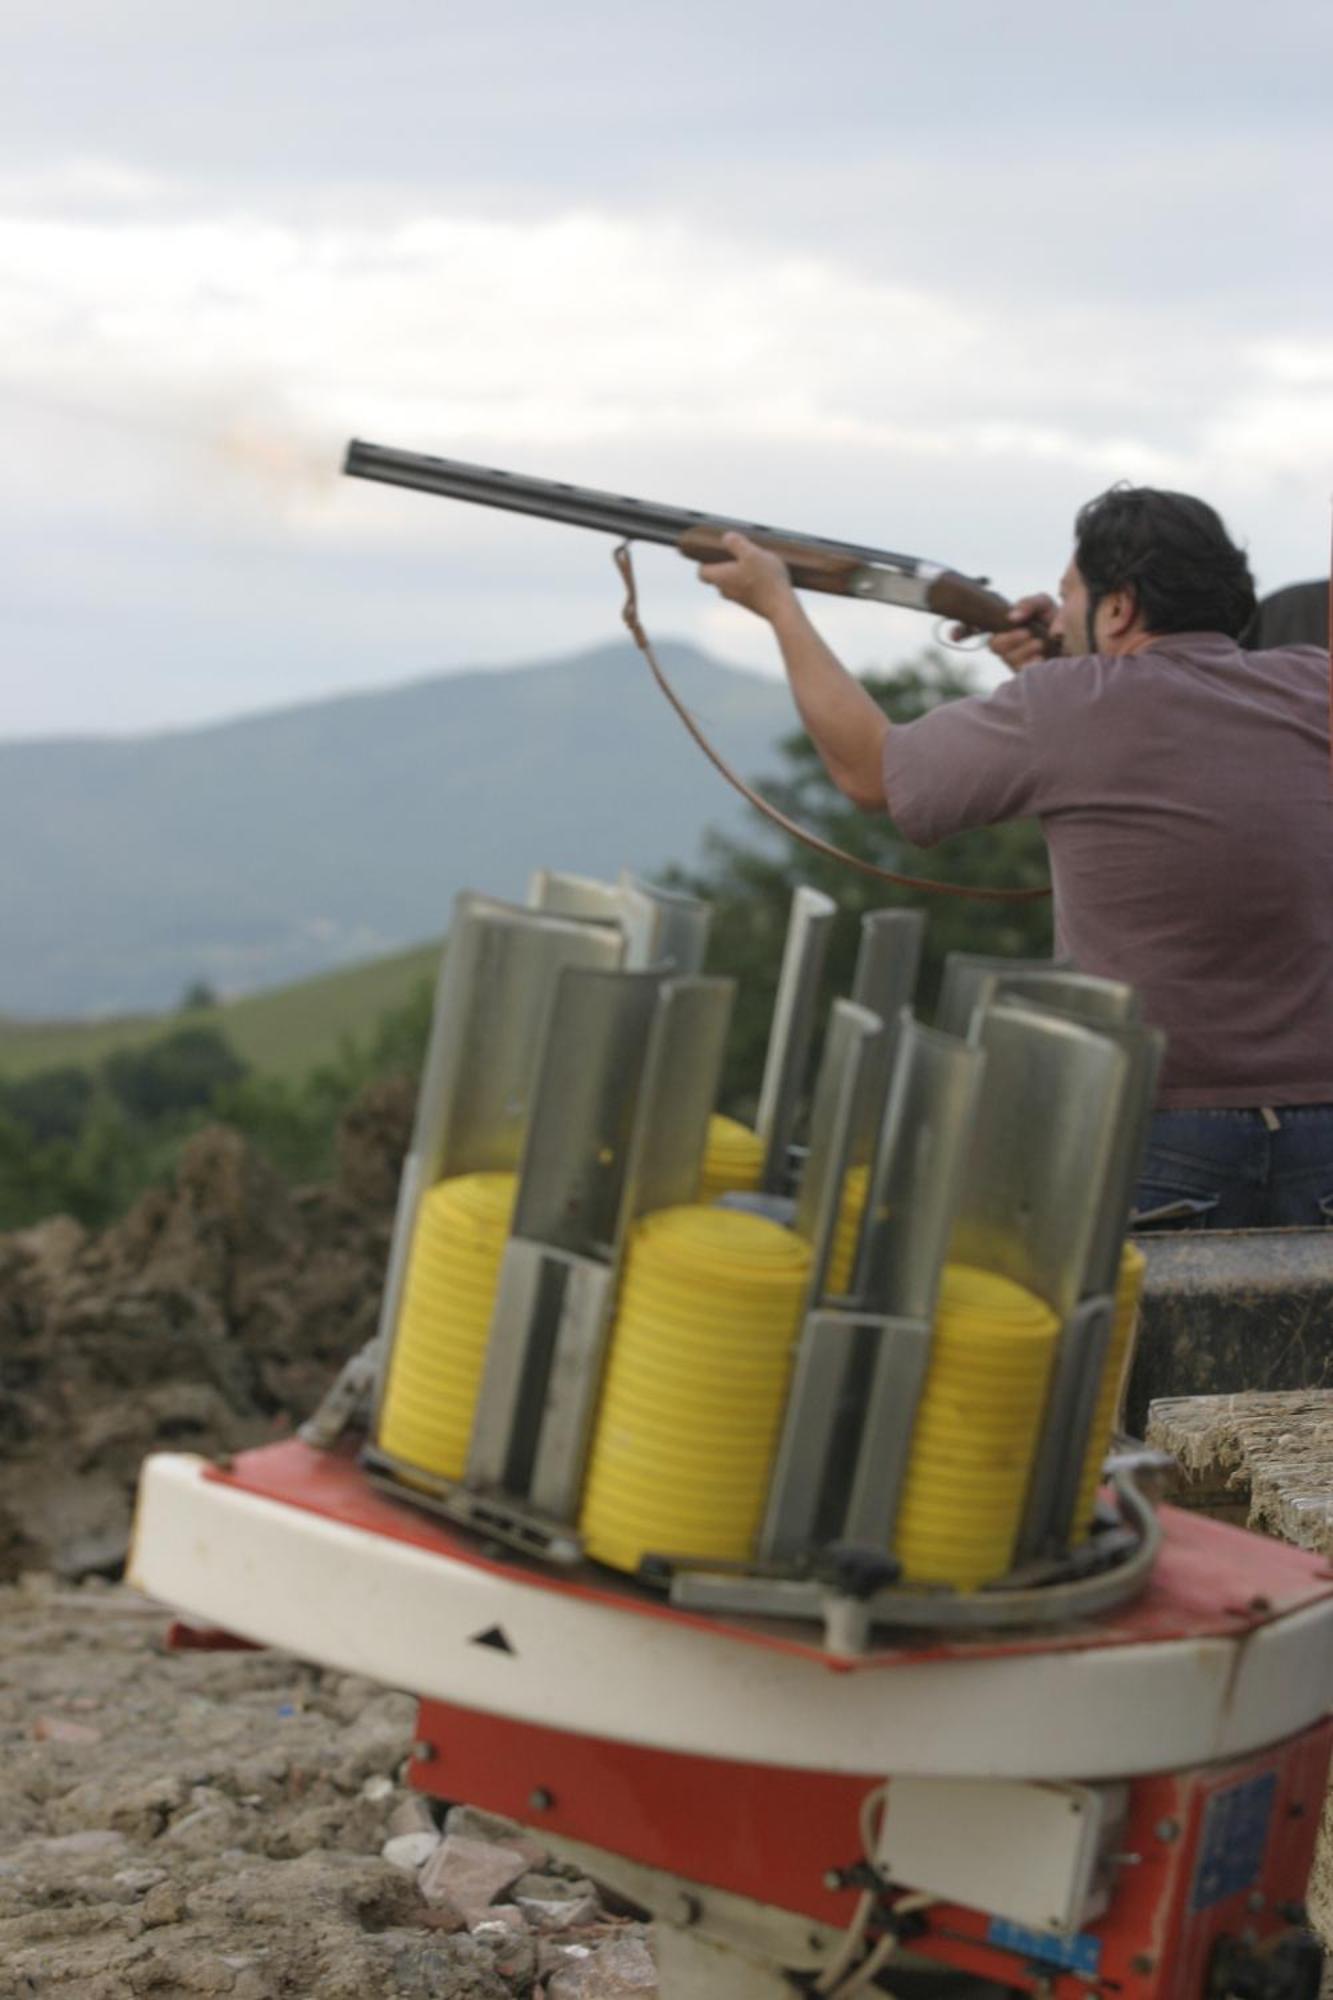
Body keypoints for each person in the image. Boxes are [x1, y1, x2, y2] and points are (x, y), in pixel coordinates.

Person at [696, 485, 1333, 1230]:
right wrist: (1063, 662)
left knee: (1140, 1350)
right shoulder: (1310, 684)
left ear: (1119, 607)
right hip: (1322, 1128)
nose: (1054, 615)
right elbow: (1175, 741)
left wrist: (780, 608)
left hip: (1158, 1130)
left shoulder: (1064, 705)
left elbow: (870, 774)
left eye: (1069, 596)